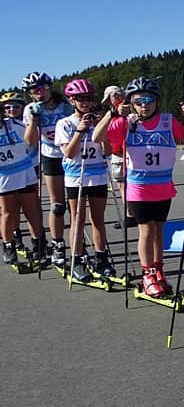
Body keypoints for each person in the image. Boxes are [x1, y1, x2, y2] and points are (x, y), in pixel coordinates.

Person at [95, 77, 184, 298]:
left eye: (148, 100)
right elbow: (97, 137)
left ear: (156, 101)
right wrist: (112, 114)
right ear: (130, 103)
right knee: (147, 230)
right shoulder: (126, 122)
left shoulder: (167, 121)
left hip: (163, 186)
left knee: (159, 231)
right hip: (139, 187)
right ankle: (147, 274)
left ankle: (158, 270)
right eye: (138, 101)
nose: (144, 105)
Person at [54, 78, 116, 282]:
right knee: (77, 219)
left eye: (89, 98)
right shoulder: (64, 123)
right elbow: (69, 153)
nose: (86, 102)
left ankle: (101, 258)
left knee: (98, 219)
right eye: (81, 98)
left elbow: (108, 150)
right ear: (71, 100)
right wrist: (80, 130)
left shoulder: (98, 121)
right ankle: (77, 259)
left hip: (97, 174)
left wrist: (100, 129)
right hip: (76, 177)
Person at [22, 72, 73, 270]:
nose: (40, 93)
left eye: (43, 88)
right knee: (57, 205)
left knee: (74, 205)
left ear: (50, 87)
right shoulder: (31, 109)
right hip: (50, 156)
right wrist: (34, 120)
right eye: (34, 90)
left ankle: (78, 245)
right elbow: (30, 141)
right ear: (29, 93)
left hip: (70, 155)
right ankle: (57, 245)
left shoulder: (65, 105)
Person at [1, 91, 45, 269]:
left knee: (31, 211)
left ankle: (38, 245)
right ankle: (9, 247)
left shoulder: (16, 124)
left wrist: (34, 121)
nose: (11, 110)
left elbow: (32, 142)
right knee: (8, 214)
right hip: (4, 177)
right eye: (8, 107)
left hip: (25, 173)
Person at [101, 85, 131, 226]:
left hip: (121, 152)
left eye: (109, 99)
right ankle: (132, 213)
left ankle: (130, 214)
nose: (109, 102)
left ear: (116, 96)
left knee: (123, 185)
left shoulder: (121, 110)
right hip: (120, 151)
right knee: (125, 185)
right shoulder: (125, 108)